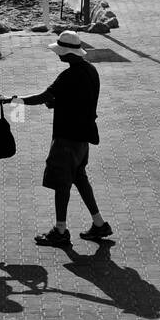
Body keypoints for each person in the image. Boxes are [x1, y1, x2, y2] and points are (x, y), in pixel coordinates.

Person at [15, 31, 112, 247]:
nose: (58, 55)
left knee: (62, 183)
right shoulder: (91, 71)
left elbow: (42, 97)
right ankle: (99, 223)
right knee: (79, 177)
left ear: (67, 53)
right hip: (83, 138)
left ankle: (60, 230)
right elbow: (79, 100)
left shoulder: (68, 76)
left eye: (60, 52)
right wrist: (58, 103)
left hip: (66, 138)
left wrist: (13, 100)